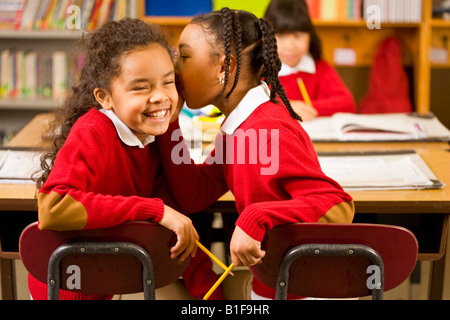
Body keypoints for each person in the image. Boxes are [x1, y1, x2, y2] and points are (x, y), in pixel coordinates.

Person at [158, 8, 355, 300]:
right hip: (274, 283)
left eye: (184, 57)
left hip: (304, 290)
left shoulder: (267, 128)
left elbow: (337, 207)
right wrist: (169, 123)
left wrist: (257, 215)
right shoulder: (238, 126)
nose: (175, 70)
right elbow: (194, 194)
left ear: (225, 66)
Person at [31, 18, 227, 300]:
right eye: (140, 87)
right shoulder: (94, 130)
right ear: (105, 97)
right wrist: (153, 210)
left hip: (105, 280)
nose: (159, 96)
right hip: (65, 289)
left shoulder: (150, 136)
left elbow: (176, 219)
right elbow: (53, 207)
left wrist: (213, 298)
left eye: (168, 82)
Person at [264, 0, 356, 121]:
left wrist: (307, 108)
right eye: (281, 36)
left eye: (297, 36)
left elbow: (348, 104)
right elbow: (251, 105)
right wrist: (287, 107)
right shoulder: (260, 71)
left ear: (310, 37)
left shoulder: (320, 69)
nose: (290, 46)